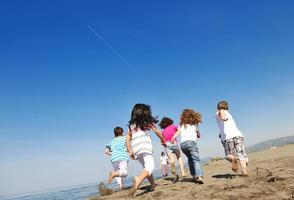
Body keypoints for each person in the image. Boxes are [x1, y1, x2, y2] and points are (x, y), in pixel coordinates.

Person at [126, 103, 166, 196]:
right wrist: (163, 140)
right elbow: (157, 131)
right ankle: (138, 179)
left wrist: (130, 151)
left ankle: (153, 186)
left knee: (147, 168)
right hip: (145, 147)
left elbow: (127, 140)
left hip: (136, 150)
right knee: (150, 167)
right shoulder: (147, 123)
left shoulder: (131, 126)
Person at [215, 100, 249, 176]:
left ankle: (234, 159)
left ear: (218, 107)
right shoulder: (229, 114)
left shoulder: (219, 112)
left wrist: (224, 118)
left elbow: (222, 113)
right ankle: (244, 172)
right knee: (241, 154)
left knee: (228, 155)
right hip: (238, 135)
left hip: (228, 138)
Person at [171, 109, 204, 184]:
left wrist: (173, 138)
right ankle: (199, 176)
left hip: (183, 145)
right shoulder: (194, 125)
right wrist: (197, 134)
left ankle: (193, 176)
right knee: (195, 159)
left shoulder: (182, 125)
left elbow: (178, 132)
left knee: (190, 159)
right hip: (191, 143)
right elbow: (199, 135)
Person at [159, 117, 187, 181]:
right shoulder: (173, 126)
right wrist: (174, 136)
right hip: (174, 143)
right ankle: (183, 172)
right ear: (170, 121)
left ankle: (173, 167)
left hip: (167, 144)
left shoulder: (163, 131)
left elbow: (162, 140)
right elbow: (179, 130)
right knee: (179, 157)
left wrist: (163, 143)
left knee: (171, 159)